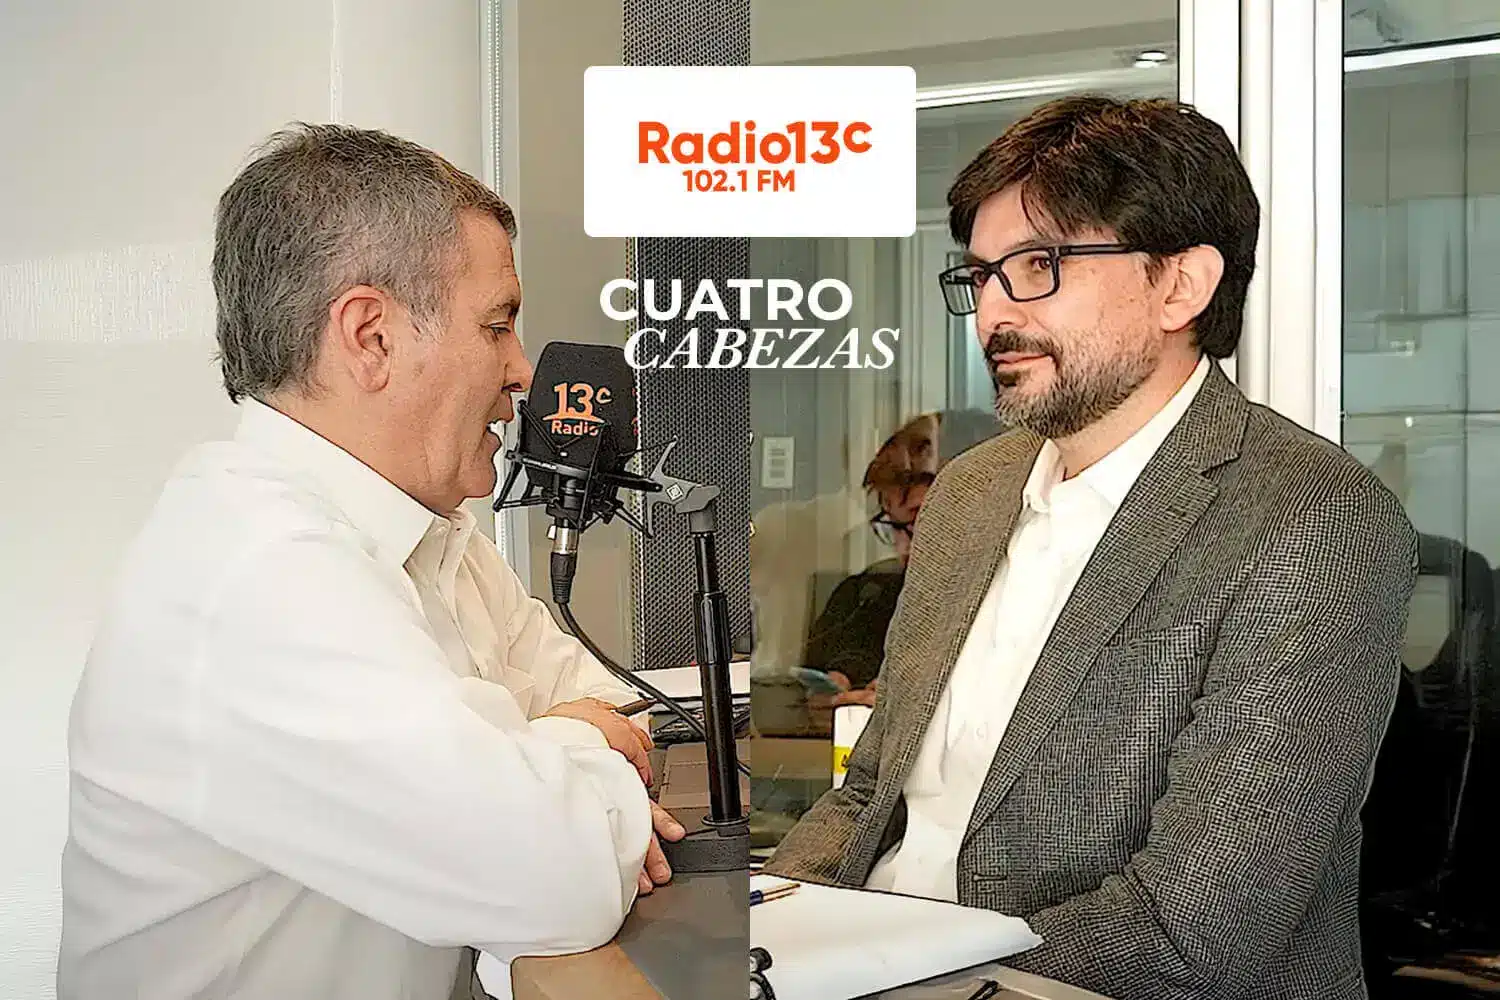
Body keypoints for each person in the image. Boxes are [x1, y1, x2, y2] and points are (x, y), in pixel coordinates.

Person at [763, 96, 1420, 1000]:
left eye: (1039, 265)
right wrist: (764, 936)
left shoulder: (1315, 520)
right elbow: (868, 792)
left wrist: (880, 976)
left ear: (1180, 286)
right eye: (981, 275)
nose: (992, 313)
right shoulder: (971, 491)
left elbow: (1195, 931)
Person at [57, 124, 683, 1000]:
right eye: (497, 325)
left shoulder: (434, 537)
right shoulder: (254, 574)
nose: (522, 371)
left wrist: (542, 761)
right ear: (371, 337)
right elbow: (556, 876)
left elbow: (607, 706)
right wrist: (563, 751)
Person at [802, 410, 1000, 708]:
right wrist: (842, 677)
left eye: (920, 519)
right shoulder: (865, 595)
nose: (903, 546)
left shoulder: (1008, 598)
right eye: (893, 525)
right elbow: (850, 650)